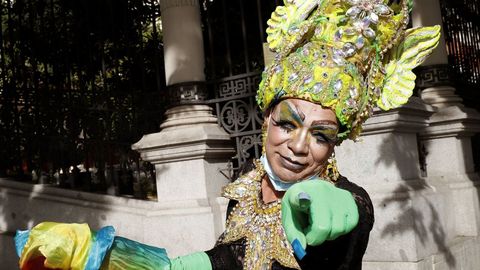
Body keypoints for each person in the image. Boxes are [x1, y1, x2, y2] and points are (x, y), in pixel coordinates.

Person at [15, 0, 441, 269]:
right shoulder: (246, 191)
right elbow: (224, 260)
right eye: (287, 124)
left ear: (335, 145)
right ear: (266, 120)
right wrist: (107, 254)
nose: (296, 146)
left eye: (320, 135)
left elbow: (350, 215)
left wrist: (330, 204)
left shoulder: (348, 199)